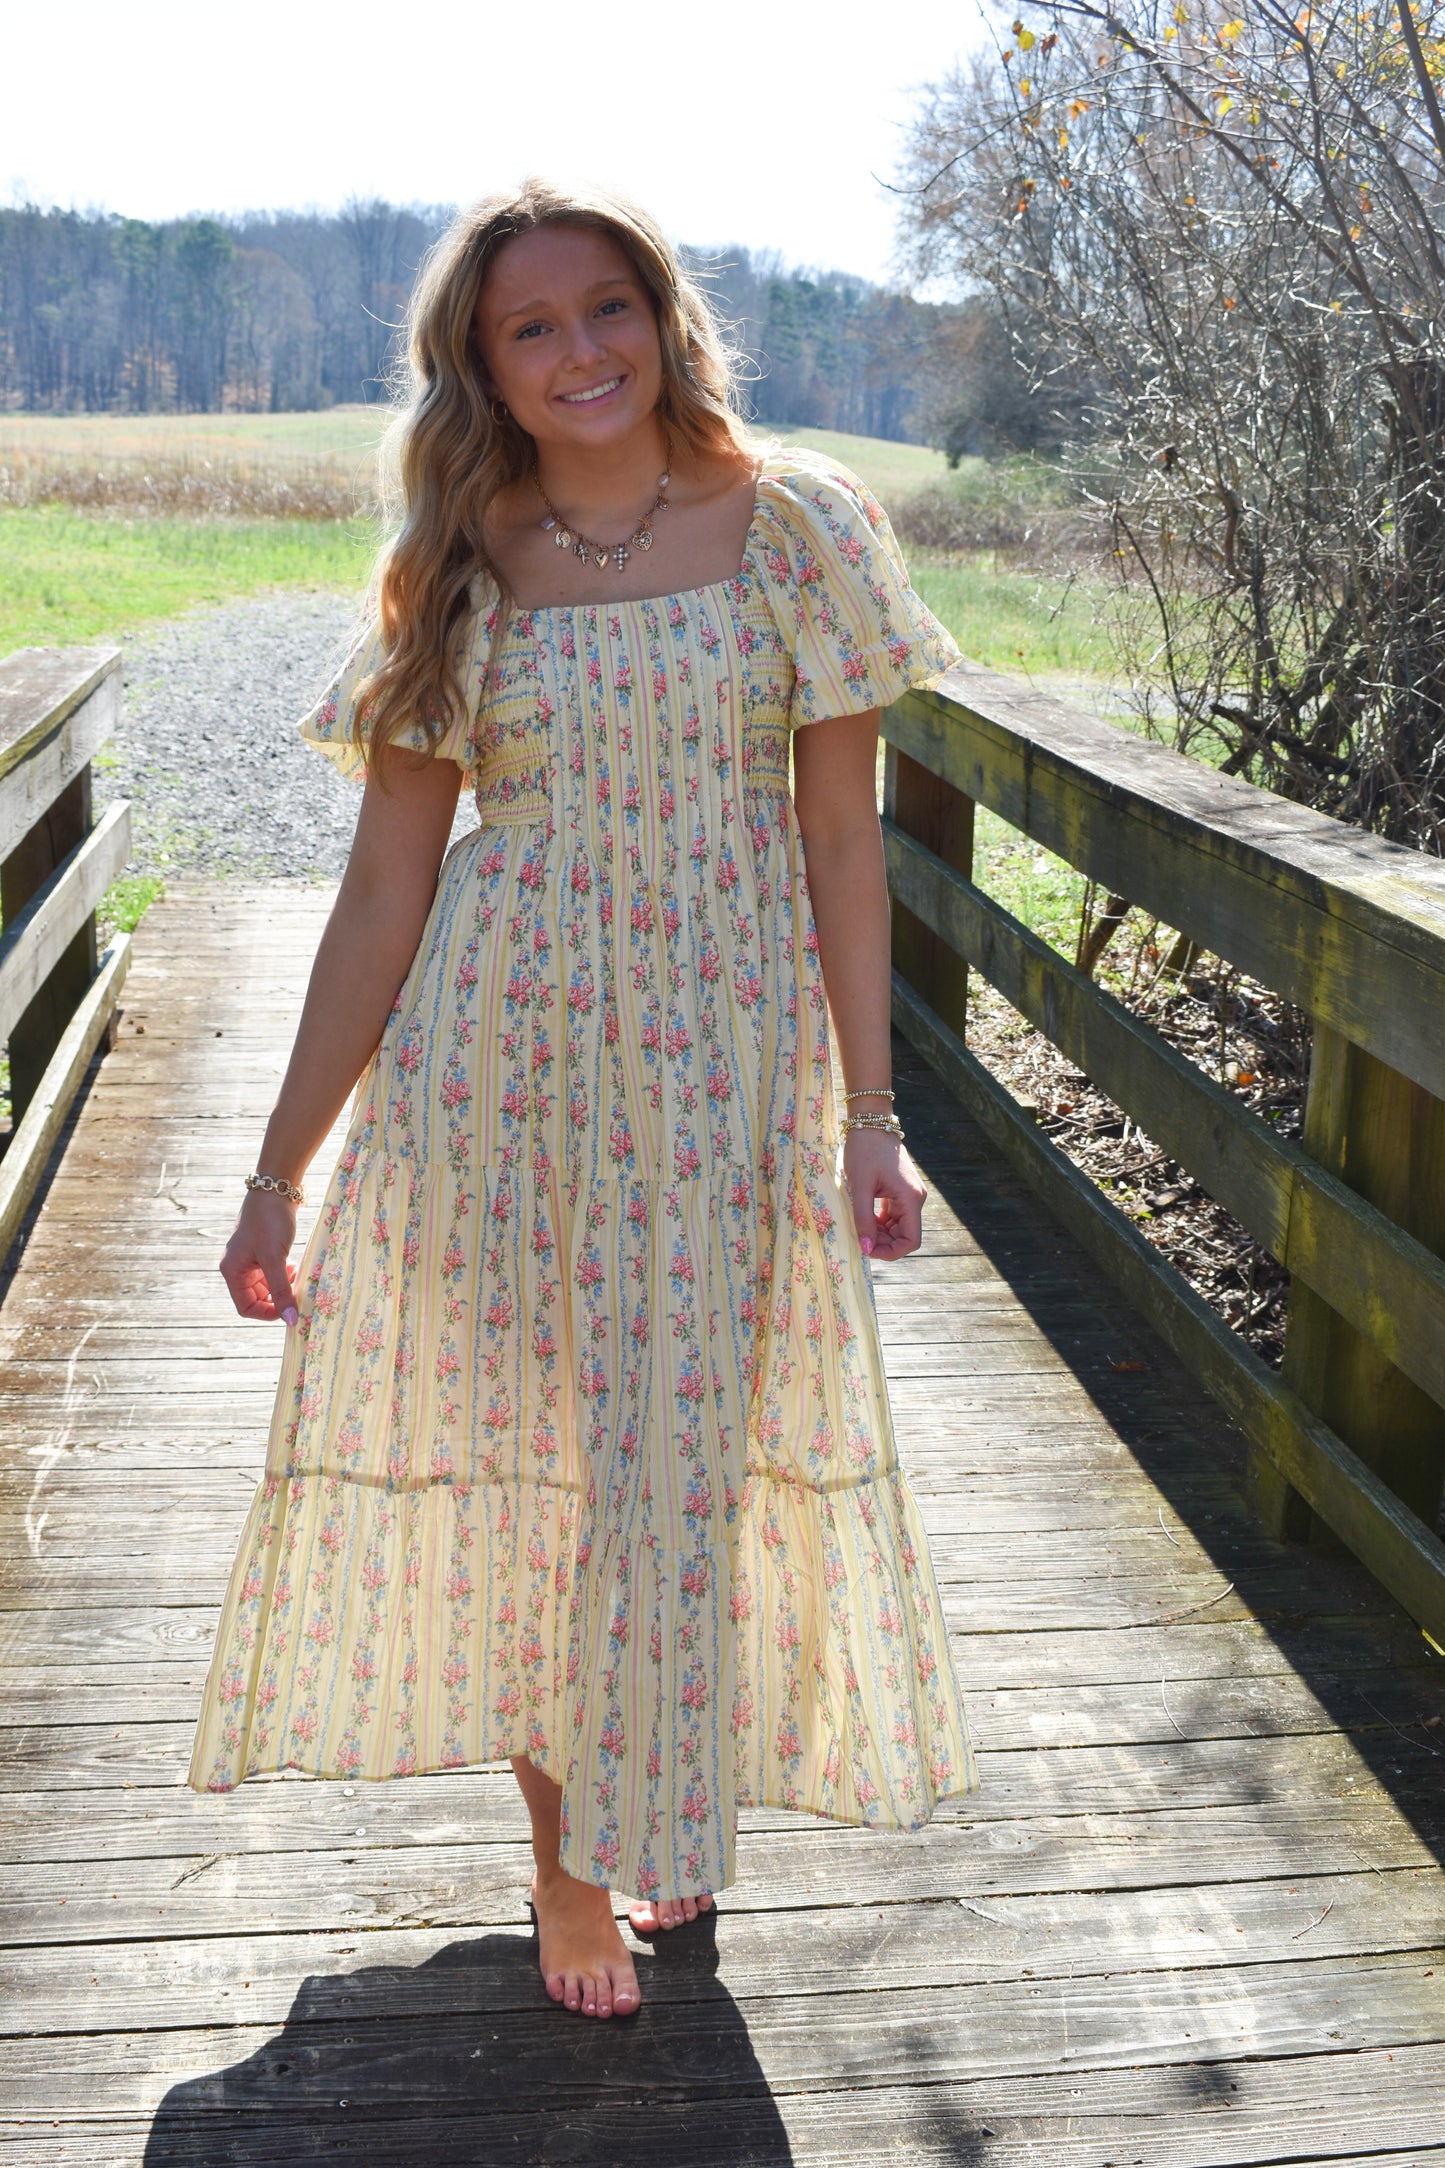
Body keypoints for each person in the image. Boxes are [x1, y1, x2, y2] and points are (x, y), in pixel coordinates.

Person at [192, 178, 976, 2023]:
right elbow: (386, 890)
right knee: (554, 1474)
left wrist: (874, 1112)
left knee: (680, 1462)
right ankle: (563, 1856)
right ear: (478, 367)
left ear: (663, 311)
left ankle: (663, 1780)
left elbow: (840, 845)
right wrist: (273, 1172)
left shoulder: (796, 525)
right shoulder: (455, 564)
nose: (579, 352)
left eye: (605, 306)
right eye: (527, 328)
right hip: (499, 1070)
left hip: (724, 1067)